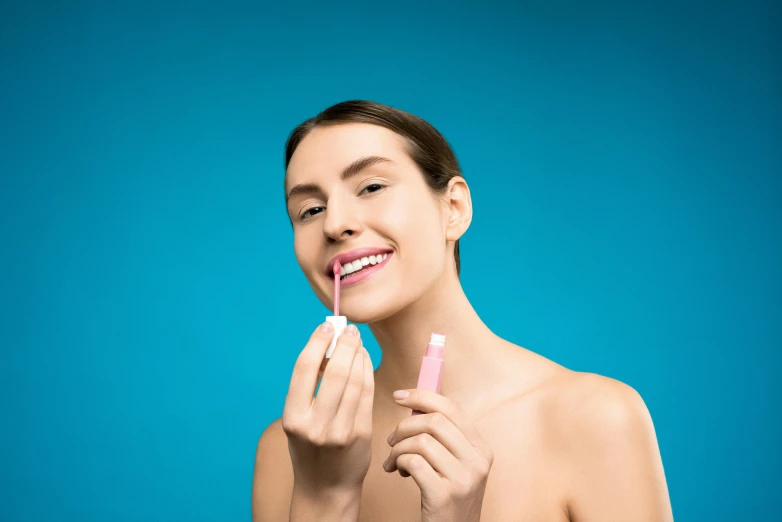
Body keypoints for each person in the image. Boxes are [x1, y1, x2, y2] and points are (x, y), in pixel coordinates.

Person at [252, 100, 673, 521]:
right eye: (310, 210)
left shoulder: (595, 419)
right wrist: (325, 494)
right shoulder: (288, 453)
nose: (334, 224)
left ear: (453, 209)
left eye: (371, 187)